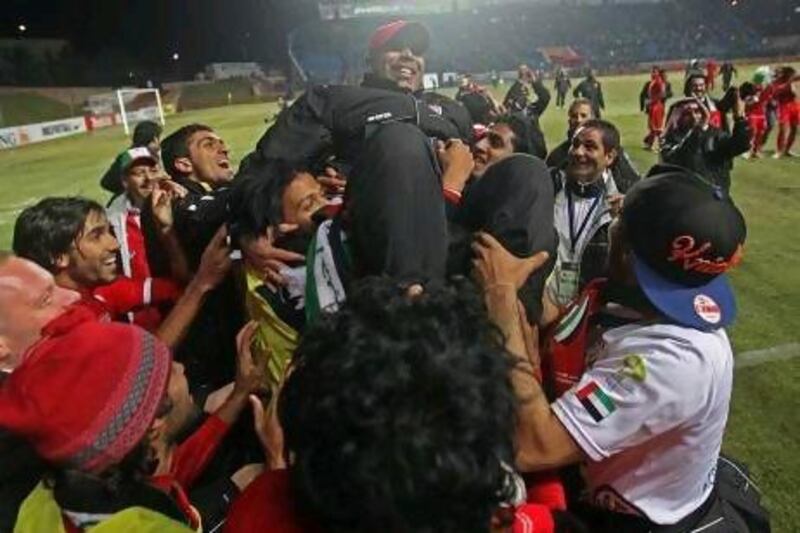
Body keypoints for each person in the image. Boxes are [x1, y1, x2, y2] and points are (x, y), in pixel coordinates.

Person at [473, 169, 755, 531]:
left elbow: (533, 445)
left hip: (626, 521)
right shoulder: (642, 295)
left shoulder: (674, 360)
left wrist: (500, 296)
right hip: (601, 483)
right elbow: (573, 325)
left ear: (623, 251)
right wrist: (527, 288)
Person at [225, 277, 575, 533]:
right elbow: (543, 514)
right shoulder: (511, 520)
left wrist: (276, 468)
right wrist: (528, 380)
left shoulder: (259, 508)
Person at [12, 197, 235, 356]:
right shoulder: (60, 326)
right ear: (58, 257)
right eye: (96, 236)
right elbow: (147, 366)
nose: (115, 244)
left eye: (109, 232)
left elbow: (177, 286)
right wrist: (202, 284)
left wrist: (166, 232)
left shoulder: (101, 290)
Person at [159, 124, 247, 397]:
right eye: (208, 144)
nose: (224, 148)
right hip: (211, 355)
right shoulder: (173, 200)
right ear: (183, 164)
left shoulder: (202, 195)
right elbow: (217, 208)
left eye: (221, 142)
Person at [547, 120, 626, 307]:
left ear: (609, 156)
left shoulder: (624, 204)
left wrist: (625, 224)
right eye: (575, 144)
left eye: (589, 147)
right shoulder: (547, 186)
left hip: (591, 316)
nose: (578, 152)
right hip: (543, 308)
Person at [546, 99, 640, 194]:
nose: (579, 120)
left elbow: (633, 184)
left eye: (583, 115)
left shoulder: (612, 150)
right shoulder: (557, 155)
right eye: (574, 116)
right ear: (569, 121)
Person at [660, 96, 750, 193]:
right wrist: (700, 130)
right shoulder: (671, 139)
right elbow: (678, 157)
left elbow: (740, 146)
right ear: (677, 117)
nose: (694, 116)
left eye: (698, 112)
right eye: (687, 113)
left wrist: (740, 120)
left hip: (713, 197)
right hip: (685, 196)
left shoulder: (715, 135)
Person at [100, 120, 164, 196]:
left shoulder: (129, 154)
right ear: (155, 139)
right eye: (160, 137)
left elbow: (106, 182)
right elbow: (107, 182)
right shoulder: (139, 156)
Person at [769, 66, 799, 158]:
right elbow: (776, 92)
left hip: (794, 105)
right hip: (783, 106)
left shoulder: (791, 80)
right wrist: (790, 82)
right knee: (783, 129)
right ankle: (779, 151)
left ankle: (787, 150)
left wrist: (793, 80)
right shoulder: (776, 83)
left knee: (794, 129)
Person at [641, 67, 670, 151]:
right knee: (652, 127)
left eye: (654, 72)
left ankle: (660, 144)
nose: (652, 74)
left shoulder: (658, 82)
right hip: (653, 106)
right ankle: (650, 144)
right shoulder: (653, 82)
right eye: (652, 72)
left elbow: (662, 93)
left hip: (656, 106)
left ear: (658, 73)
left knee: (656, 127)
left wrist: (652, 101)